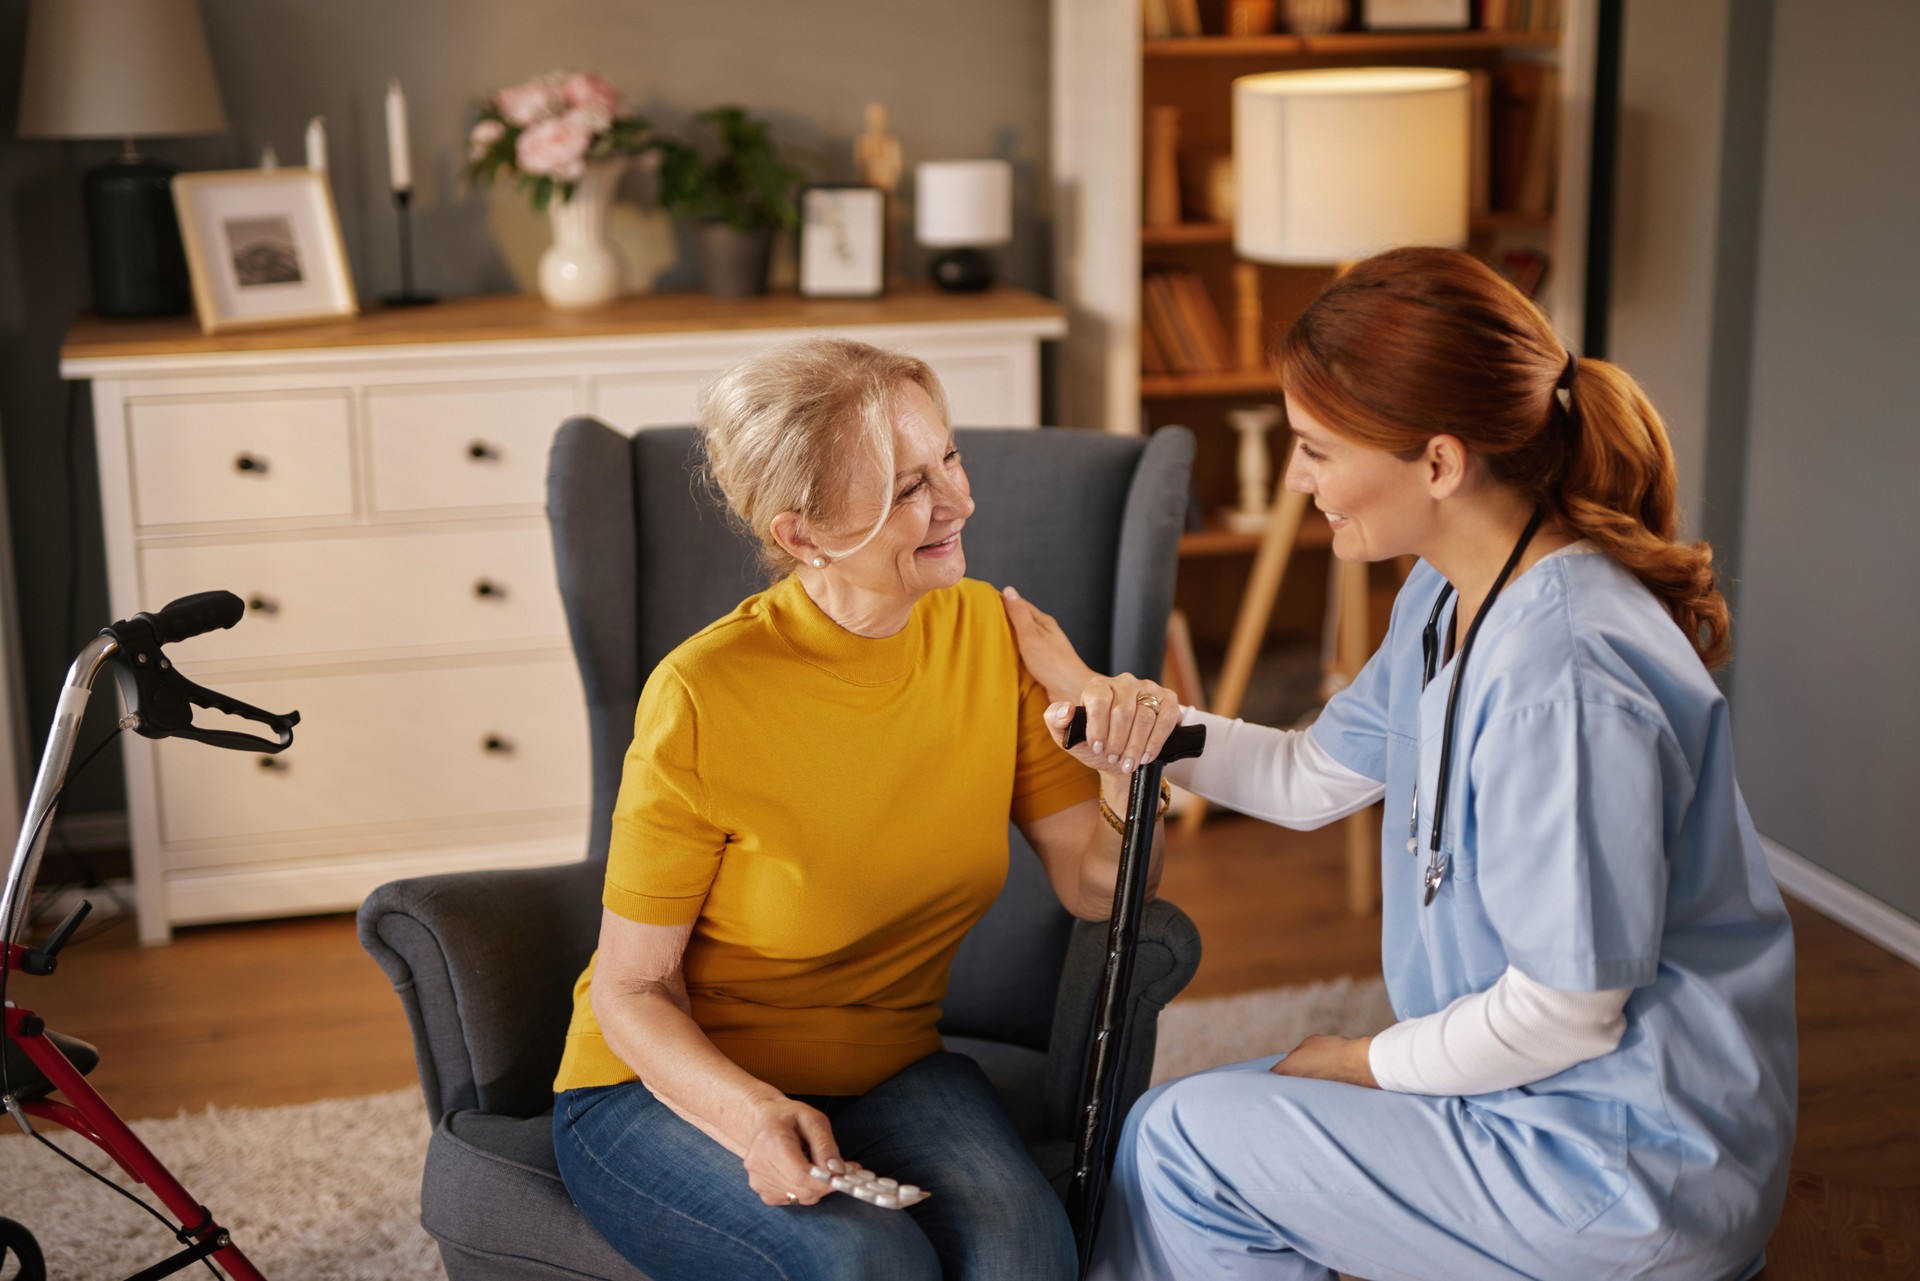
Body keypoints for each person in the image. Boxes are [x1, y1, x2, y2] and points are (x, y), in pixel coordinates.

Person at [1005, 246, 1797, 1281]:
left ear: (1438, 462)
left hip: (1626, 1166)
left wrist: (1362, 1060)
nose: (1298, 480)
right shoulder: (1447, 593)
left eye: (1316, 450)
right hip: (1539, 1106)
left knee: (1185, 1148)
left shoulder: (1566, 671)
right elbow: (1305, 778)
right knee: (1175, 1131)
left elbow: (1568, 1006)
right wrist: (1112, 713)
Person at [549, 337, 1180, 1281]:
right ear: (801, 534)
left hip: (892, 1063)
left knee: (1028, 1251)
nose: (957, 503)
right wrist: (749, 1113)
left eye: (949, 460)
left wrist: (1128, 777)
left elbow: (1099, 889)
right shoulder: (705, 691)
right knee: (867, 1264)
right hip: (665, 1087)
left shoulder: (988, 636)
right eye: (903, 489)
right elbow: (631, 989)